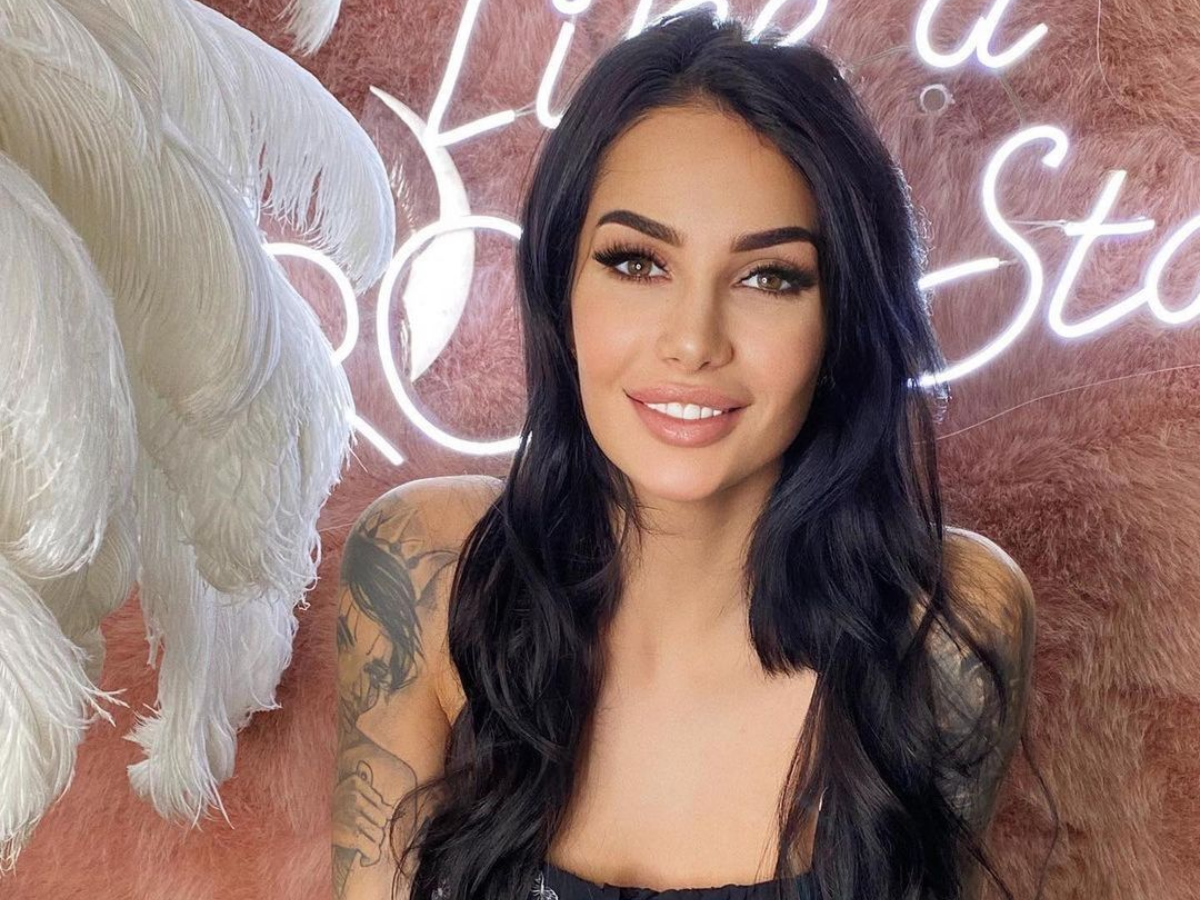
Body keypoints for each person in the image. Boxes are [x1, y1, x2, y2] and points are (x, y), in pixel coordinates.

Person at [333, 8, 1055, 900]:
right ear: (560, 286)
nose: (693, 341)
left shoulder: (940, 626)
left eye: (769, 276)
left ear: (840, 321)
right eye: (637, 262)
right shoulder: (424, 570)